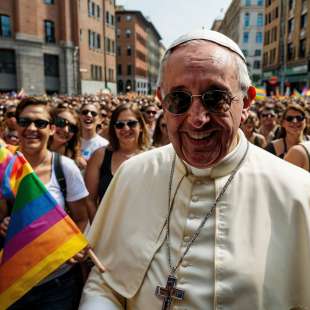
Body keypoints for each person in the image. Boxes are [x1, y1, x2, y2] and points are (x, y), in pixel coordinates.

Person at [79, 30, 310, 309]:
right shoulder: (133, 175)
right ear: (161, 100)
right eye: (179, 99)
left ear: (246, 101)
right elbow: (104, 282)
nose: (197, 119)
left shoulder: (298, 192)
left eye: (215, 98)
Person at [0, 97, 89, 309]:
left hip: (56, 284)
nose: (31, 128)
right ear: (16, 125)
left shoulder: (65, 168)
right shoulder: (5, 167)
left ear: (51, 129)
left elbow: (81, 217)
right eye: (25, 122)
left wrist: (73, 246)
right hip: (15, 280)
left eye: (40, 123)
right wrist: (3, 224)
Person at [84, 103, 149, 219]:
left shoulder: (152, 157)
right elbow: (89, 200)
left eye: (131, 123)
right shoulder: (99, 156)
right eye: (119, 125)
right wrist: (99, 232)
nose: (126, 128)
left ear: (141, 127)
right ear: (114, 129)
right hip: (108, 230)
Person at [79, 102, 109, 168]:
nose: (89, 115)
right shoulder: (71, 142)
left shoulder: (105, 145)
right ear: (79, 117)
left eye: (93, 113)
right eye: (85, 112)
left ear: (99, 120)